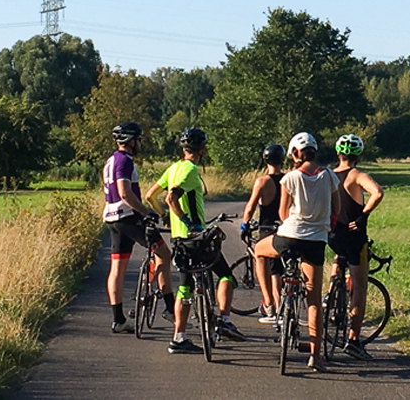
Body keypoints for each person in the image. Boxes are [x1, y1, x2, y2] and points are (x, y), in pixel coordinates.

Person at [144, 127, 245, 353]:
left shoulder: (173, 168)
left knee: (185, 287)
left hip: (179, 240)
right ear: (202, 149)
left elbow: (150, 195)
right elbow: (172, 198)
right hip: (196, 237)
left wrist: (165, 217)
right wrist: (187, 221)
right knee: (226, 275)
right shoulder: (190, 170)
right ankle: (226, 320)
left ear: (183, 148)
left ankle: (179, 337)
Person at [254, 132, 341, 372]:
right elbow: (337, 207)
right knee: (313, 299)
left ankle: (270, 304)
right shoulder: (330, 175)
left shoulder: (290, 177)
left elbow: (283, 213)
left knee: (259, 251)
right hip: (316, 241)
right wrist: (326, 225)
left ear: (295, 154)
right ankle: (315, 356)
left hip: (289, 236)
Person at [102, 121, 174, 334]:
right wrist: (146, 211)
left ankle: (118, 319)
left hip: (112, 219)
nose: (140, 143)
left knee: (117, 269)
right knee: (164, 254)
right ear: (130, 140)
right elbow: (125, 193)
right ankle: (170, 309)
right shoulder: (124, 161)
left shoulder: (111, 160)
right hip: (129, 218)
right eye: (138, 139)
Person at [328, 133, 384, 360]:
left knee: (337, 259)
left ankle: (330, 292)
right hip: (355, 236)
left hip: (332, 234)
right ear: (358, 155)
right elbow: (378, 193)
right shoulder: (356, 175)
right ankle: (353, 339)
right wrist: (362, 214)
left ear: (338, 153)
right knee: (359, 287)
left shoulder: (329, 175)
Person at [240, 143, 285, 324]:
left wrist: (244, 223)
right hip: (284, 227)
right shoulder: (288, 179)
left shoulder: (263, 182)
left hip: (266, 229)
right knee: (277, 270)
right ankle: (281, 305)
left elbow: (251, 206)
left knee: (262, 259)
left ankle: (268, 304)